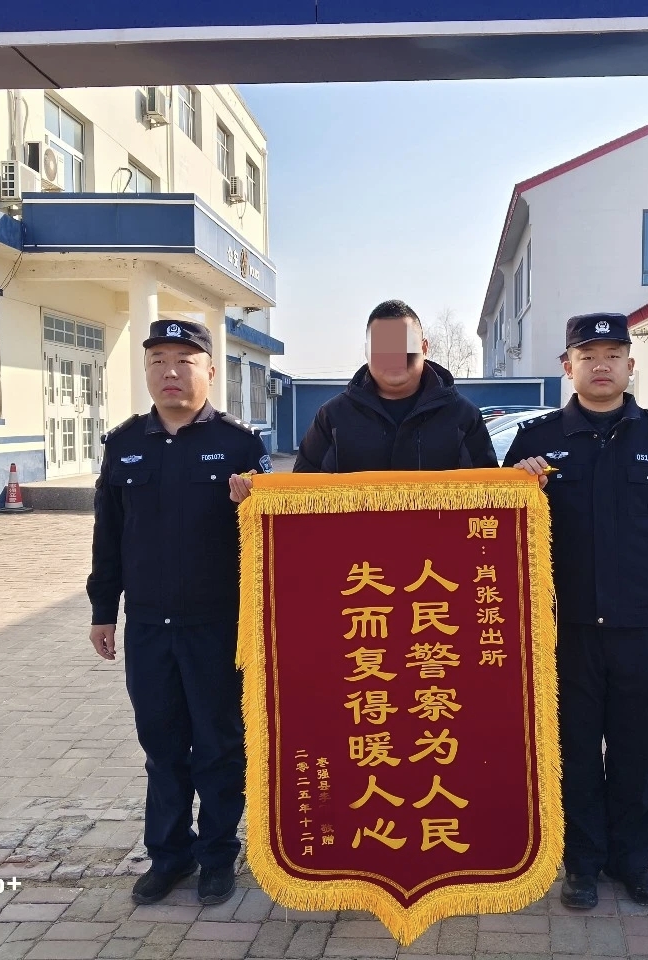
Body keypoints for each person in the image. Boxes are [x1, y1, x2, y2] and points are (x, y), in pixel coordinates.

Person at [505, 312, 648, 910]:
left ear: (630, 364)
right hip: (564, 628)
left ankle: (633, 862)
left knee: (638, 750)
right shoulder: (536, 442)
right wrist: (514, 482)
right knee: (572, 749)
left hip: (642, 624)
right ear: (567, 367)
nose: (601, 365)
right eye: (588, 355)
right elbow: (497, 525)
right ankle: (582, 863)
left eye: (613, 355)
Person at [87, 318, 271, 906]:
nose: (170, 372)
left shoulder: (241, 446)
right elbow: (108, 535)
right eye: (158, 361)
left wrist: (254, 505)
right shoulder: (124, 444)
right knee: (161, 745)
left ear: (210, 371)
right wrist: (103, 608)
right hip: (148, 626)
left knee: (219, 745)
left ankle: (217, 855)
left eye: (184, 361)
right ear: (146, 371)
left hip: (218, 627)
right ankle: (168, 855)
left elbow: (268, 541)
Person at [292, 299, 497, 472]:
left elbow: (491, 495)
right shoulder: (332, 417)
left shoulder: (463, 417)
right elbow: (299, 493)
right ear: (367, 352)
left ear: (424, 347)